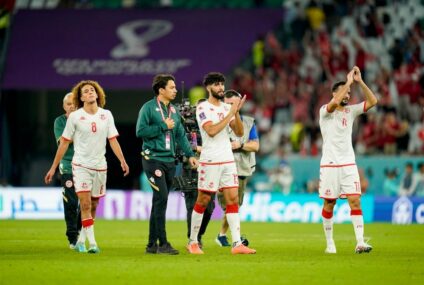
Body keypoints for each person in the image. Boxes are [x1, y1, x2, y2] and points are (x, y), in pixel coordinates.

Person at [45, 80, 129, 254]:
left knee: (93, 205)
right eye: (86, 91)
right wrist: (53, 167)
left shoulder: (107, 114)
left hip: (100, 166)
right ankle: (92, 243)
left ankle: (81, 240)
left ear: (97, 94)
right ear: (81, 97)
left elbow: (112, 139)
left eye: (92, 90)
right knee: (83, 204)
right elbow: (63, 144)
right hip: (80, 165)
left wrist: (122, 160)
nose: (90, 92)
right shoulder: (75, 117)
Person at [187, 72, 256, 255]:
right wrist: (230, 113)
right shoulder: (203, 108)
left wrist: (236, 112)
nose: (221, 88)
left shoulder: (227, 108)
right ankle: (193, 242)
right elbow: (211, 131)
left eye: (222, 84)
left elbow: (240, 133)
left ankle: (236, 244)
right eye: (217, 85)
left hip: (227, 159)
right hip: (210, 159)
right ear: (209, 87)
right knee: (203, 199)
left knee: (233, 199)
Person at [136, 74, 198, 255]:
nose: (176, 90)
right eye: (172, 87)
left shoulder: (173, 111)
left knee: (159, 201)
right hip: (153, 159)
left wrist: (190, 155)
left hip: (170, 162)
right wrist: (163, 126)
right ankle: (162, 243)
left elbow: (179, 135)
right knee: (162, 198)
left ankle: (151, 245)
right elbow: (140, 131)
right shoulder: (148, 108)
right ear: (161, 90)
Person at [319, 66, 377, 254]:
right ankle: (330, 244)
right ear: (335, 92)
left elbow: (373, 101)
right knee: (329, 203)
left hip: (348, 164)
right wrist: (348, 81)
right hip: (330, 164)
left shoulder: (350, 111)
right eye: (345, 91)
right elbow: (334, 102)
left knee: (355, 201)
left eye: (349, 93)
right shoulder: (324, 112)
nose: (348, 95)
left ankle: (360, 242)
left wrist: (359, 82)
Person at [215, 89, 260, 247]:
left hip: (241, 169)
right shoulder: (217, 121)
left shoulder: (248, 122)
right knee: (230, 205)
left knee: (234, 205)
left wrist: (240, 144)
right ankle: (235, 238)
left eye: (233, 104)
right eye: (227, 104)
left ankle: (221, 235)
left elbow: (255, 146)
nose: (231, 107)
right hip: (222, 168)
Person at [53, 92, 81, 249]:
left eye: (74, 103)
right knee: (71, 202)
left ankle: (78, 230)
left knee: (86, 202)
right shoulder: (60, 122)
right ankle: (72, 237)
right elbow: (64, 142)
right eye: (68, 104)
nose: (72, 106)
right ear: (64, 106)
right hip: (68, 164)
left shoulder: (85, 118)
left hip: (86, 164)